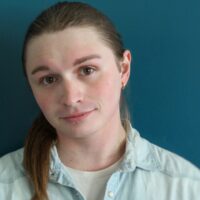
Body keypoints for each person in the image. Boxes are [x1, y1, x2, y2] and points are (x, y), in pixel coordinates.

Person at [0, 1, 200, 200]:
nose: (71, 98)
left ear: (123, 69)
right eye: (49, 79)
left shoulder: (186, 188)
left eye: (87, 70)